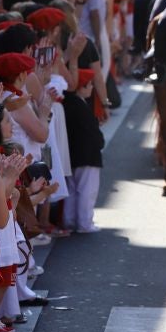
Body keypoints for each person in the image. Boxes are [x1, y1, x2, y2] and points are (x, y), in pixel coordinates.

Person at [62, 69, 104, 233]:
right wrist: (100, 142)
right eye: (89, 84)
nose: (92, 87)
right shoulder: (82, 107)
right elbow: (93, 134)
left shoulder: (67, 104)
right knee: (87, 190)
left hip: (72, 155)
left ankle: (69, 220)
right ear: (81, 87)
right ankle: (85, 223)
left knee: (72, 189)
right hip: (88, 156)